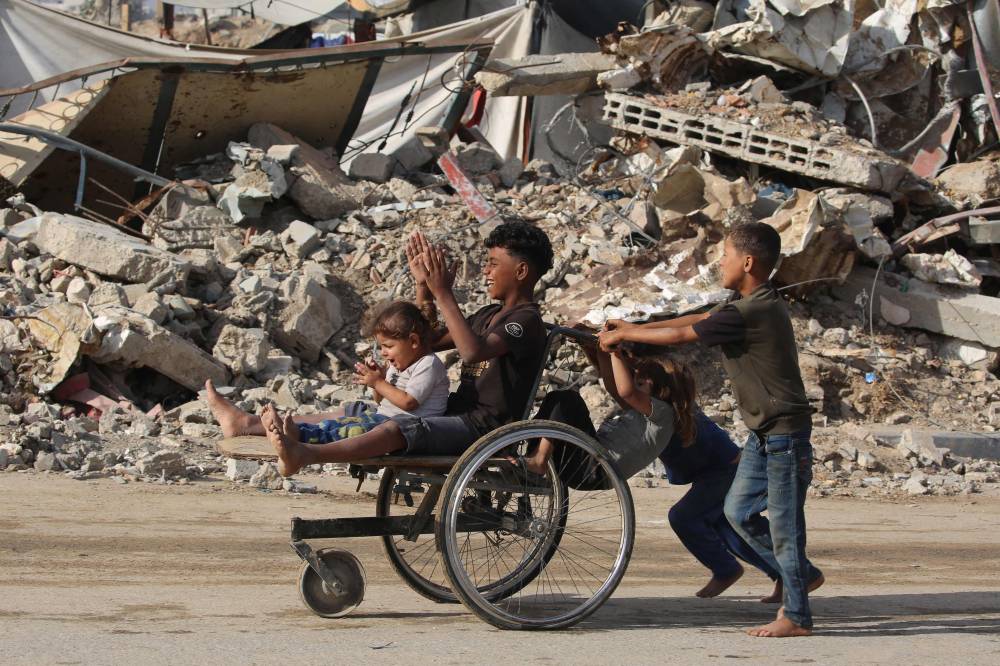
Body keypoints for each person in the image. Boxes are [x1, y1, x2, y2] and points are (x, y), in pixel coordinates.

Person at [597, 222, 823, 638]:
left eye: (725, 256)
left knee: (785, 526)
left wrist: (627, 333)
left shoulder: (752, 312)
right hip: (762, 434)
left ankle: (797, 616)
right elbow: (697, 317)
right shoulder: (745, 305)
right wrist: (631, 328)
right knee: (737, 512)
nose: (720, 263)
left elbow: (685, 333)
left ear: (747, 262)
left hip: (784, 436)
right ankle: (802, 576)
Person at [205, 220, 553, 475]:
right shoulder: (488, 315)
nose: (485, 271)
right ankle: (246, 423)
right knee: (353, 410)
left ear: (521, 270)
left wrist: (444, 292)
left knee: (397, 427)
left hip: (483, 428)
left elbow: (473, 352)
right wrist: (424, 288)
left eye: (493, 263)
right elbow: (426, 341)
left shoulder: (525, 320)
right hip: (454, 415)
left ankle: (306, 454)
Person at [524, 344, 785, 599]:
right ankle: (760, 572)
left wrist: (612, 351)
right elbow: (616, 386)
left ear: (660, 389)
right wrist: (597, 348)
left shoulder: (662, 412)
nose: (632, 381)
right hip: (711, 470)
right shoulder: (653, 408)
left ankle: (777, 573)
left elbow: (624, 390)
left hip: (726, 470)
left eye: (640, 381)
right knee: (727, 527)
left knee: (690, 518)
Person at [297, 300, 450, 444]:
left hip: (408, 428)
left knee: (352, 431)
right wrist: (378, 381)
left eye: (388, 346)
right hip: (383, 418)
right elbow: (380, 401)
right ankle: (301, 430)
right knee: (343, 422)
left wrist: (378, 382)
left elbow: (408, 402)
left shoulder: (428, 364)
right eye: (381, 347)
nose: (383, 352)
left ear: (413, 341)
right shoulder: (397, 365)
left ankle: (304, 437)